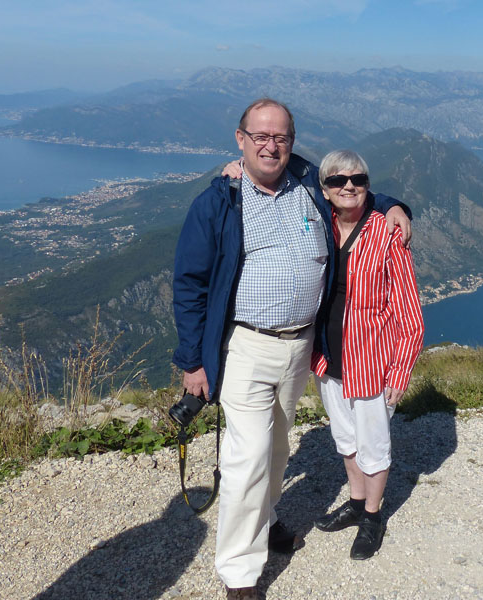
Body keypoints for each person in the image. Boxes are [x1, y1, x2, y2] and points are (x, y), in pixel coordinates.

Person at [172, 98, 412, 599]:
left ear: (292, 142)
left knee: (279, 449)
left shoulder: (307, 188)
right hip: (246, 347)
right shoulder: (219, 203)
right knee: (249, 456)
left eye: (280, 137)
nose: (270, 146)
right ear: (240, 139)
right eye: (260, 136)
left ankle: (265, 521)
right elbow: (190, 284)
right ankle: (240, 574)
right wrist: (192, 361)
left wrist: (393, 206)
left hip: (301, 348)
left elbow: (350, 190)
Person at [311, 150, 424, 560]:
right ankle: (357, 503)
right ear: (324, 189)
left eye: (357, 179)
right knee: (345, 439)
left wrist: (400, 370)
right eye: (338, 180)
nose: (349, 186)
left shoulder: (387, 233)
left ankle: (373, 517)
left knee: (373, 445)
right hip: (328, 359)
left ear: (368, 185)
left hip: (372, 363)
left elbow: (410, 313)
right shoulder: (319, 224)